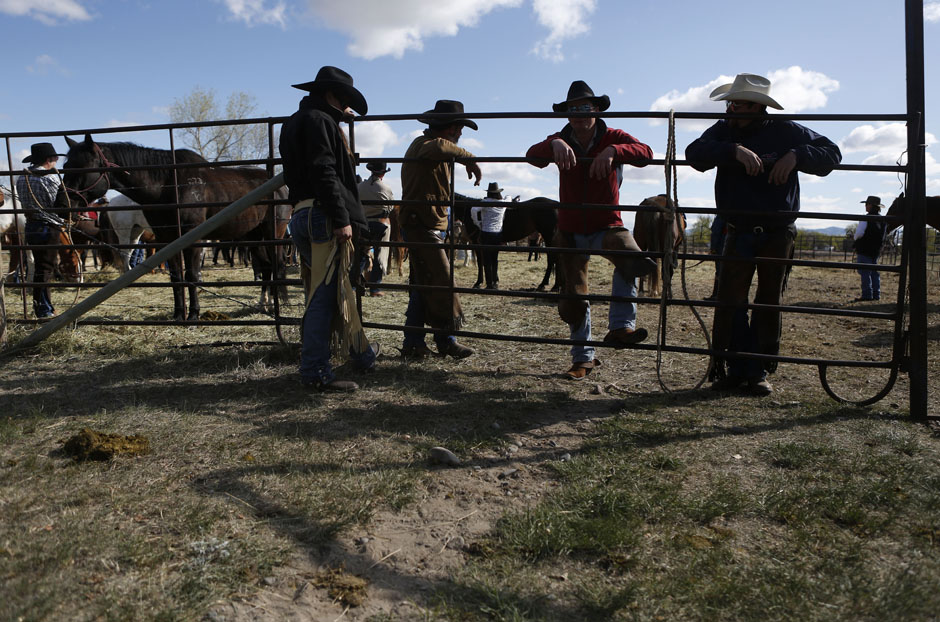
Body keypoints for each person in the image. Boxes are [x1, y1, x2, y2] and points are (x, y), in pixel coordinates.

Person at [685, 73, 842, 395]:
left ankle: (756, 369)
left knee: (768, 300)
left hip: (777, 230)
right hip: (737, 228)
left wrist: (798, 155)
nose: (730, 108)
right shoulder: (724, 129)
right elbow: (694, 153)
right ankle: (735, 366)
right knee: (732, 301)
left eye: (737, 103)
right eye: (730, 103)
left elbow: (832, 153)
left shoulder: (787, 131)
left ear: (756, 107)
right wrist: (732, 151)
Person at [526, 80, 657, 380]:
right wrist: (554, 144)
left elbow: (646, 152)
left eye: (585, 107)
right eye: (573, 109)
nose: (580, 114)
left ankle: (621, 326)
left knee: (630, 257)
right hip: (571, 227)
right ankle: (582, 359)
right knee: (574, 294)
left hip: (606, 222)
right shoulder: (561, 138)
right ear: (567, 114)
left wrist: (614, 150)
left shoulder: (613, 136)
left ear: (596, 110)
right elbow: (532, 155)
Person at [279, 66, 379, 392]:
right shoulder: (322, 123)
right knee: (323, 295)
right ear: (332, 95)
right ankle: (315, 372)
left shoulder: (294, 123)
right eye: (345, 100)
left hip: (301, 213)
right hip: (324, 216)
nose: (348, 109)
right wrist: (342, 218)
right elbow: (325, 171)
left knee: (333, 289)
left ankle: (362, 354)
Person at [399, 99, 482, 359]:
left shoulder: (441, 153)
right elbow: (438, 146)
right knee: (443, 282)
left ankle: (415, 342)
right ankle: (445, 339)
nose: (459, 133)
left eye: (460, 128)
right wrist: (470, 159)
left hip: (432, 225)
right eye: (455, 128)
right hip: (420, 225)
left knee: (425, 284)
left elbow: (444, 149)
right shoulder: (424, 145)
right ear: (442, 127)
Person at [16, 142, 67, 319]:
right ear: (48, 159)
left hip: (31, 226)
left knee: (41, 267)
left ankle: (45, 306)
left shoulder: (22, 178)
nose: (56, 161)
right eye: (54, 158)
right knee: (45, 270)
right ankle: (43, 310)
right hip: (48, 226)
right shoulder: (51, 178)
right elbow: (58, 204)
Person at [358, 161, 395, 296]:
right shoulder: (385, 188)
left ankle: (353, 284)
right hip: (381, 223)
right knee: (381, 255)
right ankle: (375, 288)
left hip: (364, 223)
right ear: (383, 173)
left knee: (362, 254)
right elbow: (391, 207)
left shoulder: (360, 186)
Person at [470, 182, 506, 289]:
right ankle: (495, 281)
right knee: (494, 258)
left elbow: (473, 210)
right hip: (498, 233)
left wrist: (477, 222)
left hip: (486, 232)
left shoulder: (485, 202)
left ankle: (489, 283)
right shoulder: (503, 203)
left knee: (486, 259)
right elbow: (508, 198)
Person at [853, 195, 887, 301]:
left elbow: (859, 234)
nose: (865, 206)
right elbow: (884, 235)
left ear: (871, 206)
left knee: (865, 272)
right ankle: (876, 294)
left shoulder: (865, 218)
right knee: (874, 271)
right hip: (876, 249)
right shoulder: (883, 220)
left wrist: (854, 239)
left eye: (866, 204)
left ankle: (867, 295)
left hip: (864, 248)